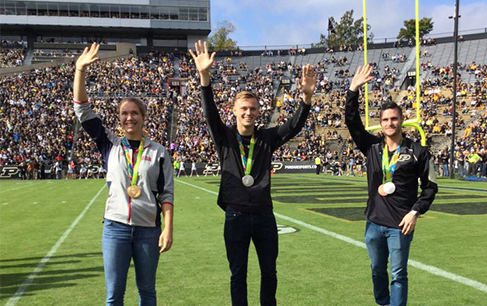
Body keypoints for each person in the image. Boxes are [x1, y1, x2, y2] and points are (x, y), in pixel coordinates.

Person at [189, 40, 315, 306]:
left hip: (264, 216)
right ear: (234, 111)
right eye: (243, 108)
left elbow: (292, 127)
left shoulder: (267, 138)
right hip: (235, 215)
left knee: (270, 272)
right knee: (238, 275)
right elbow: (209, 113)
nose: (248, 112)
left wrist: (305, 98)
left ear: (258, 112)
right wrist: (204, 77)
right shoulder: (224, 137)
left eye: (252, 109)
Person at [73, 43, 174, 306]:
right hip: (115, 228)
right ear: (119, 119)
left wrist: (168, 229)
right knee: (114, 295)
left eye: (134, 113)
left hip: (148, 232)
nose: (129, 118)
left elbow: (166, 194)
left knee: (147, 292)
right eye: (124, 114)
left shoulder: (160, 152)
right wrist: (80, 70)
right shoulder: (110, 144)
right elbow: (83, 111)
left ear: (143, 116)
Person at [344, 65, 438, 306]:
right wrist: (353, 90)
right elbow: (353, 123)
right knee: (377, 271)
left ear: (402, 120)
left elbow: (430, 187)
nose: (390, 123)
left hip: (400, 226)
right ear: (380, 123)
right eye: (385, 119)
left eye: (394, 118)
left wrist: (415, 212)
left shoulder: (418, 152)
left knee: (398, 275)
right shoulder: (372, 147)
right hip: (374, 223)